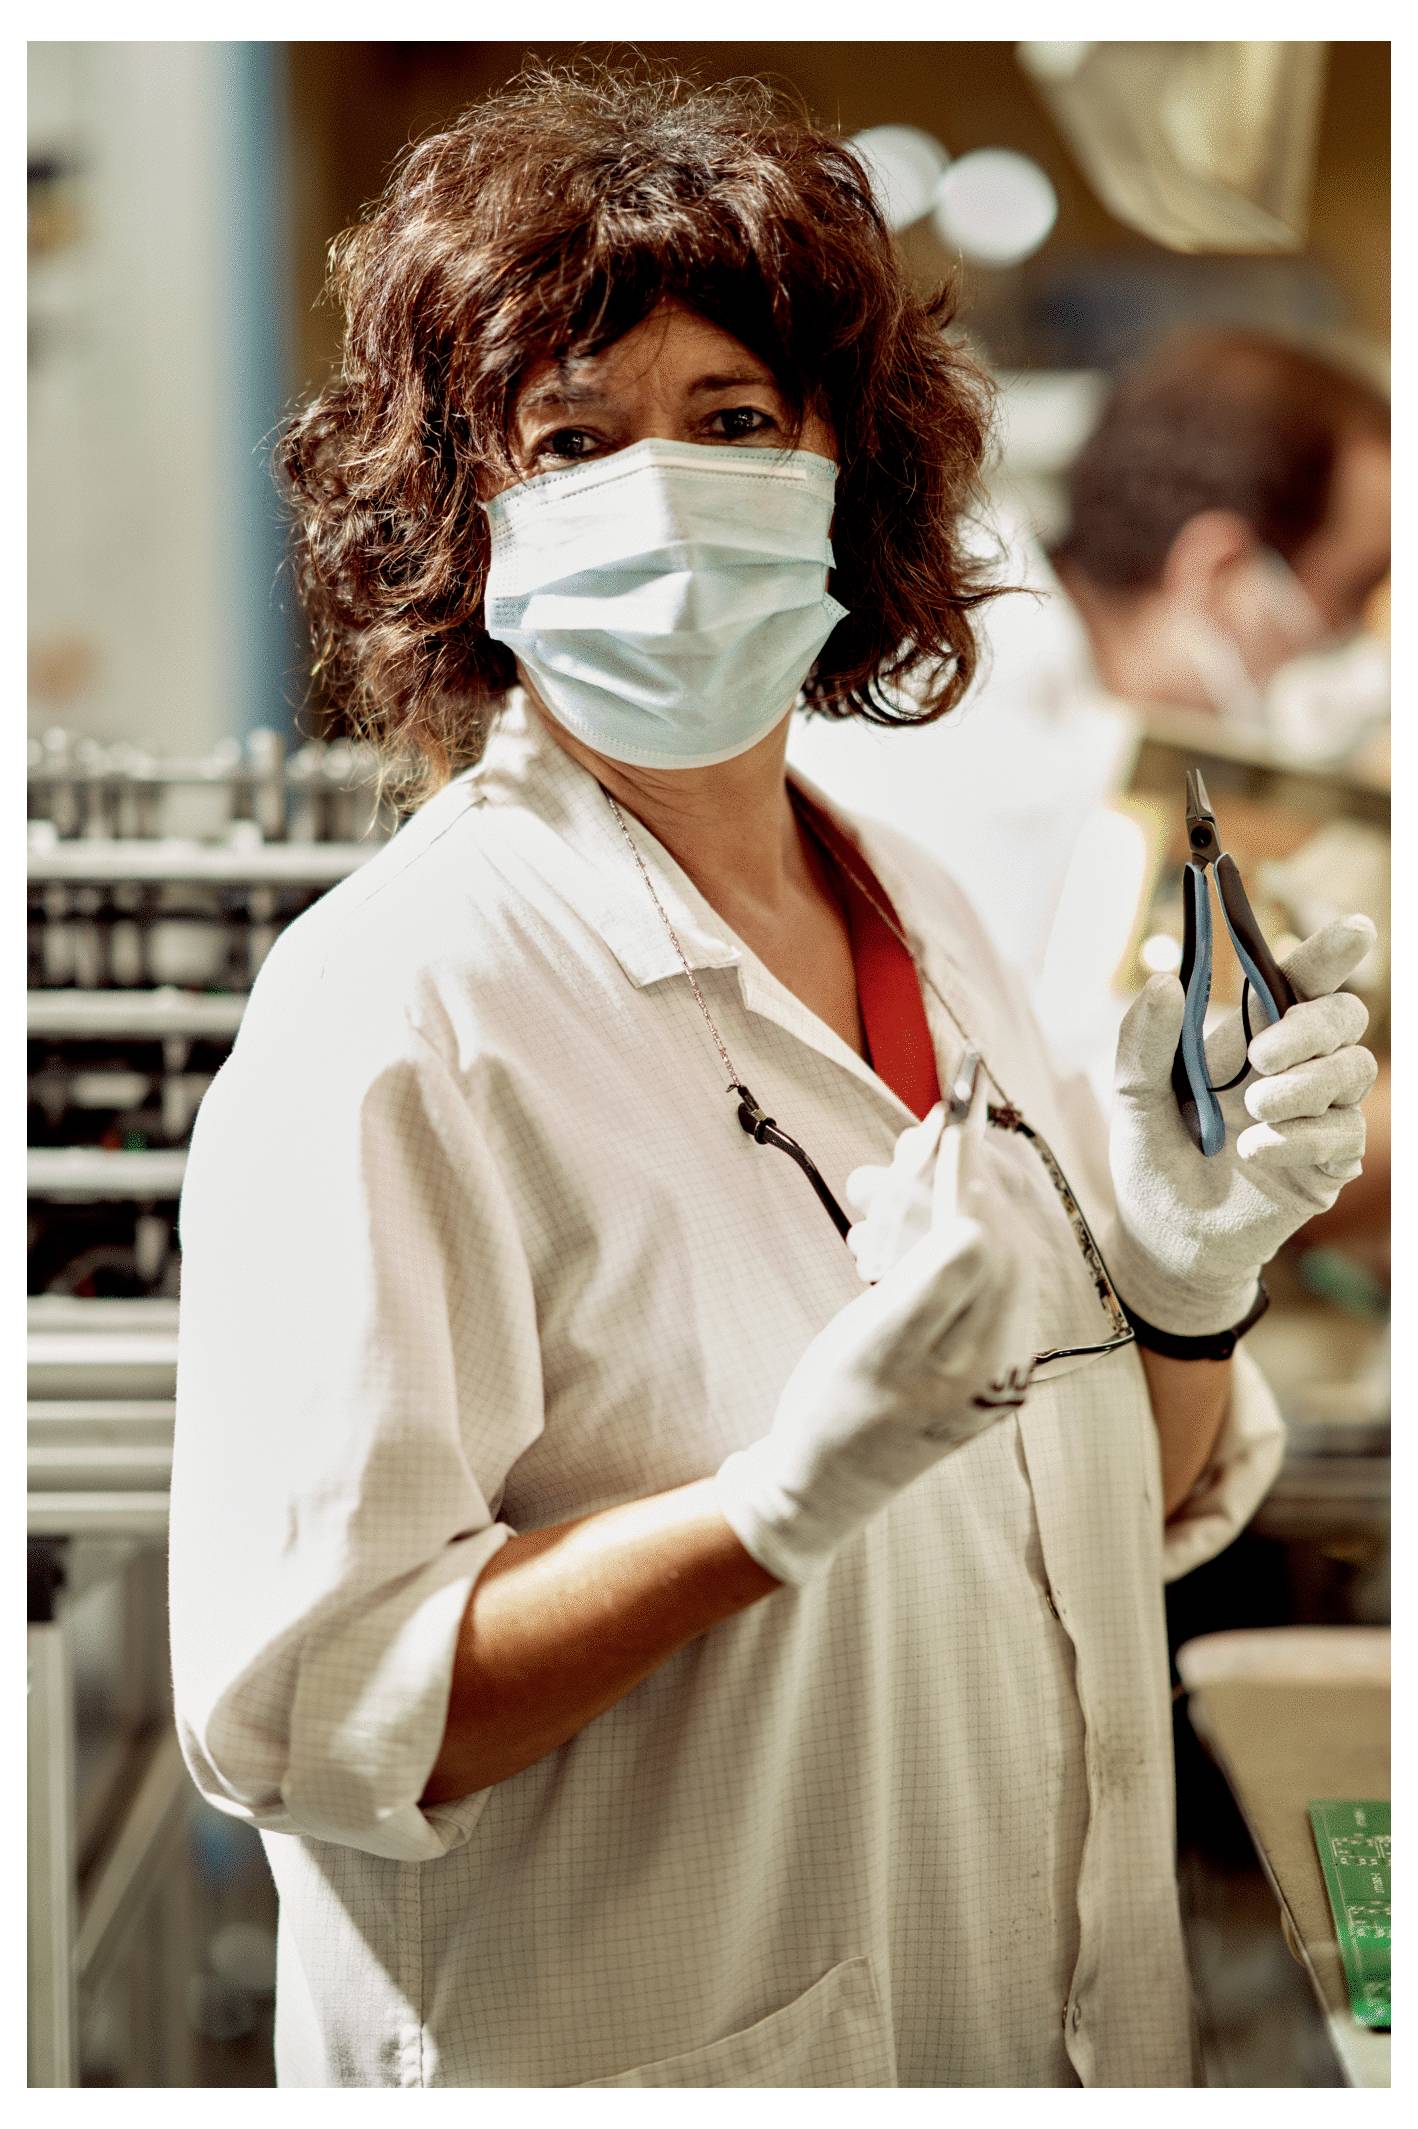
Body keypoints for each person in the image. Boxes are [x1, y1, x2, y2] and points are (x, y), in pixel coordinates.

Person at [167, 68, 1377, 2089]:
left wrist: (1181, 1274)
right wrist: (762, 1508)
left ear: (846, 467)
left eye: (733, 420)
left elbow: (1100, 1509)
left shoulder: (930, 919)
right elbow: (314, 1701)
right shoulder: (394, 1004)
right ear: (459, 519)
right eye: (571, 438)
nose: (663, 491)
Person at [788, 330, 1390, 1096]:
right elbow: (1109, 1126)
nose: (1361, 646)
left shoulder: (1027, 637)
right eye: (1352, 590)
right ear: (1220, 574)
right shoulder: (989, 730)